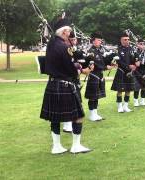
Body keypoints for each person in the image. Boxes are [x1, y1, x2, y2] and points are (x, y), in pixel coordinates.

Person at [40, 18, 93, 154]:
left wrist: (74, 64)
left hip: (52, 83)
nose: (70, 33)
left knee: (55, 117)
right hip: (65, 85)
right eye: (69, 31)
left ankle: (56, 147)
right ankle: (76, 146)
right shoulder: (65, 47)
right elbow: (70, 69)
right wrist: (81, 69)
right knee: (79, 116)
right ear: (64, 32)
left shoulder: (51, 44)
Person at [85, 32, 116, 121]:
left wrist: (110, 62)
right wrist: (106, 67)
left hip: (100, 75)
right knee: (92, 97)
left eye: (100, 40)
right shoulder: (91, 52)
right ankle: (91, 114)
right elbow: (97, 64)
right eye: (98, 40)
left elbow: (102, 61)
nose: (100, 42)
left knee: (97, 96)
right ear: (93, 41)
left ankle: (95, 113)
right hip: (93, 75)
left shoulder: (99, 51)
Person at [111, 32, 140, 113]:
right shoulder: (118, 50)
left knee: (128, 90)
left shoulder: (132, 49)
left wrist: (136, 63)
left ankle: (126, 106)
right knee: (120, 90)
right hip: (121, 72)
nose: (127, 41)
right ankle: (119, 106)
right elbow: (119, 62)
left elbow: (136, 57)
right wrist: (128, 66)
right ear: (121, 40)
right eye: (125, 39)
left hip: (130, 73)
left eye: (128, 39)